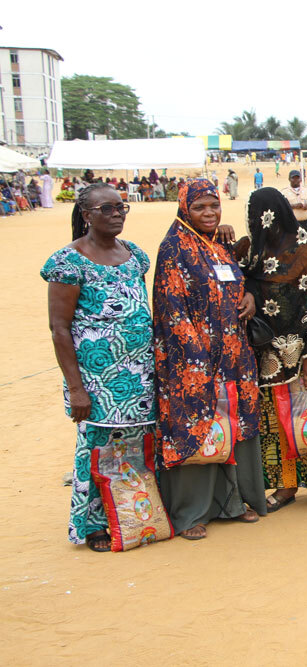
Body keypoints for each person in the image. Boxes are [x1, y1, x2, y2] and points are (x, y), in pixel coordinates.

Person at [41, 184, 153, 552]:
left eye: (122, 207)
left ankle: (137, 515)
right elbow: (59, 328)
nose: (117, 213)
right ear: (86, 214)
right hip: (97, 380)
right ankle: (94, 525)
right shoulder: (67, 262)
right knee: (98, 447)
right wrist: (76, 388)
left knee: (139, 443)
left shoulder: (135, 255)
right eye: (107, 208)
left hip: (141, 374)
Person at [153, 179, 266, 540]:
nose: (209, 213)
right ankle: (191, 512)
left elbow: (234, 282)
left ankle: (232, 503)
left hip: (232, 354)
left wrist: (248, 296)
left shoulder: (218, 244)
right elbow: (172, 310)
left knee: (231, 422)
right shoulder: (174, 248)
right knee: (197, 426)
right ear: (185, 207)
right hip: (193, 360)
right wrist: (198, 358)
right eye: (200, 206)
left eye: (214, 206)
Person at [234, 188, 307, 514]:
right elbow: (227, 271)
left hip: (306, 349)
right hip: (267, 353)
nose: (260, 221)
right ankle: (286, 485)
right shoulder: (251, 251)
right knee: (276, 421)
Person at [280, 169, 307, 240]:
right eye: (293, 178)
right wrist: (294, 206)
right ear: (289, 179)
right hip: (292, 224)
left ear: (301, 179)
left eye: (298, 178)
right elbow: (281, 207)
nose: (295, 180)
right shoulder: (284, 192)